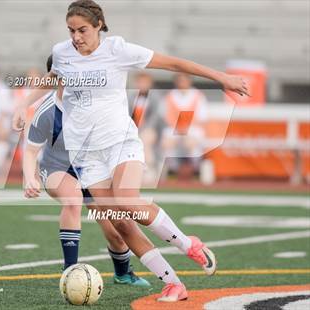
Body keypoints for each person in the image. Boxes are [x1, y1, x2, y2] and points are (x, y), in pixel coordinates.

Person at [14, 0, 249, 302]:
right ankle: (173, 283)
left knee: (126, 200)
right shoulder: (62, 52)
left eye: (82, 30)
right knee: (121, 221)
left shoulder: (118, 50)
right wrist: (25, 104)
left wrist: (222, 78)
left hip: (120, 143)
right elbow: (54, 78)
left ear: (99, 25)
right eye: (71, 30)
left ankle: (188, 244)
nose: (76, 37)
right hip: (86, 156)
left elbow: (175, 64)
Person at [23, 55, 150, 287]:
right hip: (56, 168)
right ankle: (70, 272)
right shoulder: (47, 112)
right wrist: (29, 178)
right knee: (72, 200)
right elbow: (31, 151)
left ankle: (123, 273)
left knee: (116, 229)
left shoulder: (92, 104)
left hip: (90, 169)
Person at [160, 73, 208, 180]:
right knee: (167, 141)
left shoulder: (198, 96)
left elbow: (202, 118)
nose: (182, 82)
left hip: (193, 128)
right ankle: (172, 170)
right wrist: (179, 129)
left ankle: (196, 170)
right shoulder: (169, 96)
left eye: (184, 79)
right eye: (180, 79)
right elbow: (166, 117)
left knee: (192, 141)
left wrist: (185, 129)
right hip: (174, 128)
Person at [129, 71, 164, 184]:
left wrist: (142, 130)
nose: (142, 84)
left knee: (145, 138)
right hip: (133, 129)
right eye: (140, 82)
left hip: (151, 130)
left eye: (145, 82)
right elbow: (127, 115)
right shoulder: (131, 97)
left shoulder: (155, 97)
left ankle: (149, 169)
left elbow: (155, 118)